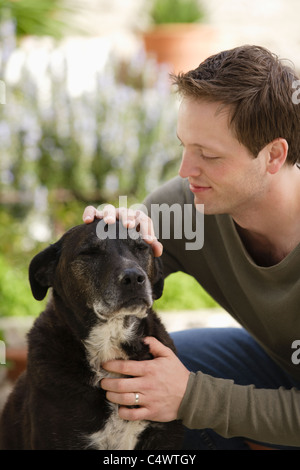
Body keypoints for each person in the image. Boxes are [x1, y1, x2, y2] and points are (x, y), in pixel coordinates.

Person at [83, 45, 300, 450]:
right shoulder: (189, 204)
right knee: (136, 375)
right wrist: (112, 243)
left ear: (273, 155)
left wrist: (193, 398)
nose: (186, 170)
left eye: (209, 155)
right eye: (185, 146)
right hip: (280, 367)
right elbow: (108, 276)